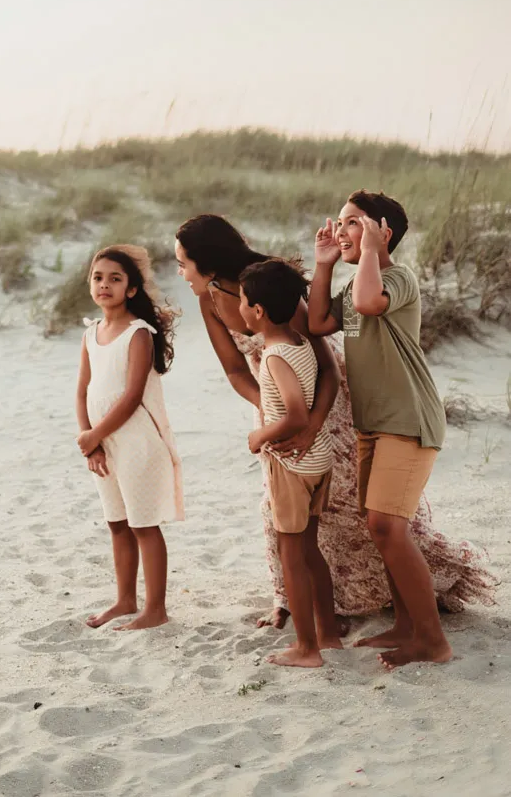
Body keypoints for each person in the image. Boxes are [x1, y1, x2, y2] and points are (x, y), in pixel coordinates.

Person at [177, 213, 494, 630]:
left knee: (347, 503)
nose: (180, 273)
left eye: (183, 263)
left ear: (209, 262)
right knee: (282, 504)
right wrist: (269, 408)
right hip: (275, 403)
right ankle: (292, 598)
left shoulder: (269, 283)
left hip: (323, 400)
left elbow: (327, 364)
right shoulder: (209, 298)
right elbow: (236, 371)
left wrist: (312, 424)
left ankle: (397, 591)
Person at [308, 190, 453, 669]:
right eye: (342, 222)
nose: (342, 230)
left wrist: (369, 253)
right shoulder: (352, 288)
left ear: (383, 231)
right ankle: (407, 625)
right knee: (382, 527)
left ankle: (432, 641)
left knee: (388, 525)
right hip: (374, 426)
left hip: (408, 418)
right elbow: (318, 321)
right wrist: (325, 263)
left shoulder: (398, 277)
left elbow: (372, 302)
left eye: (354, 223)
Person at [75, 245, 183, 631]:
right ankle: (125, 599)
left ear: (132, 290)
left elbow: (132, 395)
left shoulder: (139, 333)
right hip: (104, 445)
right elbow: (82, 390)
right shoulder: (91, 334)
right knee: (116, 523)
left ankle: (155, 608)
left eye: (115, 279)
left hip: (136, 441)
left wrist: (95, 435)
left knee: (143, 524)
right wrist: (91, 440)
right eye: (98, 277)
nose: (104, 284)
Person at [240, 258, 340, 667]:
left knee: (292, 556)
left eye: (244, 302)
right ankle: (328, 634)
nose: (241, 309)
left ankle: (306, 648)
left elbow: (296, 414)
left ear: (258, 311)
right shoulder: (299, 343)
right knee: (310, 549)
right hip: (318, 461)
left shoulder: (276, 356)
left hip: (292, 468)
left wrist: (259, 436)